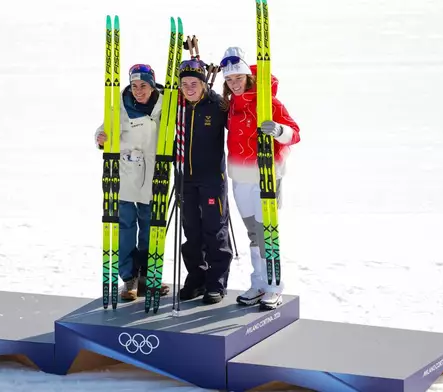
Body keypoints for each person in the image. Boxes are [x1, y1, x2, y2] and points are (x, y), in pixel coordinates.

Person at [219, 47, 301, 310]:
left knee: (268, 232)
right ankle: (259, 283)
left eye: (238, 79)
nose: (234, 84)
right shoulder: (231, 104)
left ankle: (274, 286)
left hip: (265, 174)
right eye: (230, 80)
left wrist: (278, 130)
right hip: (239, 177)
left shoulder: (269, 102)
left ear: (248, 77)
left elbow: (295, 133)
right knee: (253, 233)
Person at [95, 64, 170, 301]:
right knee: (125, 229)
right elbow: (104, 129)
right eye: (135, 86)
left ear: (152, 85)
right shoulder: (120, 105)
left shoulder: (165, 105)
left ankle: (149, 277)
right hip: (126, 174)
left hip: (154, 175)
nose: (139, 91)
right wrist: (101, 138)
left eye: (144, 86)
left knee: (151, 228)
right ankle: (128, 279)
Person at [176, 58, 233, 304]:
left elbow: (242, 117)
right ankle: (196, 279)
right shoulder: (175, 107)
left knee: (214, 231)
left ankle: (216, 283)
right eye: (185, 83)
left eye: (194, 83)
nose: (189, 88)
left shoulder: (217, 105)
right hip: (184, 180)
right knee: (191, 232)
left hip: (212, 179)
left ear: (203, 84)